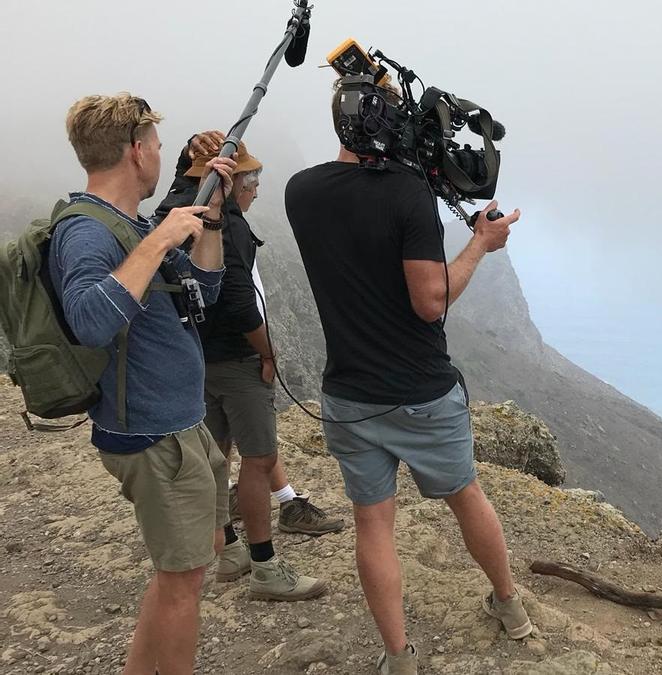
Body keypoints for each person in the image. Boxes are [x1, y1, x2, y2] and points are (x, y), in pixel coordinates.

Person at [283, 78, 532, 675]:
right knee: (466, 495)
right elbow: (430, 301)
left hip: (348, 395)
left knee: (373, 523)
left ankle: (398, 658)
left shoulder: (300, 191)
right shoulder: (408, 194)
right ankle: (510, 607)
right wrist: (480, 244)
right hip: (421, 392)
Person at [50, 93, 235, 675]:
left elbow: (202, 292)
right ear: (136, 152)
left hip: (183, 425)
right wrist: (159, 240)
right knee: (183, 586)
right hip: (153, 436)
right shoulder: (86, 232)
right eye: (156, 146)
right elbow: (89, 321)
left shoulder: (133, 224)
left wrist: (211, 217)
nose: (160, 155)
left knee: (191, 563)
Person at [154, 136, 337, 600]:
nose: (255, 194)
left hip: (195, 357)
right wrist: (269, 353)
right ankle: (265, 567)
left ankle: (230, 549)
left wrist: (188, 154)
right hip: (237, 359)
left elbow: (184, 179)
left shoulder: (177, 210)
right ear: (234, 185)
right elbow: (238, 303)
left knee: (217, 453)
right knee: (259, 460)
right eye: (252, 185)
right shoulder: (225, 226)